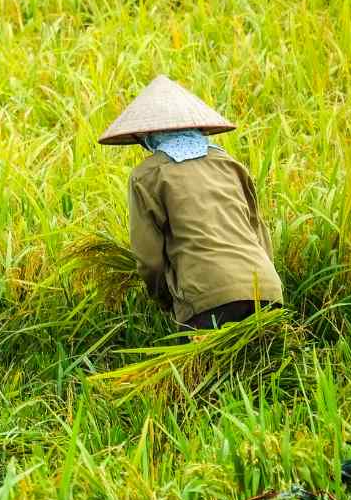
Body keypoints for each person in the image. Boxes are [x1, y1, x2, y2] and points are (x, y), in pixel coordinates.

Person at [98, 75, 282, 330]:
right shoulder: (230, 165)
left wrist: (169, 301)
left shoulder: (147, 175)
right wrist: (266, 286)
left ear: (149, 135)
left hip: (207, 297)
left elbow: (149, 259)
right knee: (266, 369)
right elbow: (259, 233)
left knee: (207, 370)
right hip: (266, 289)